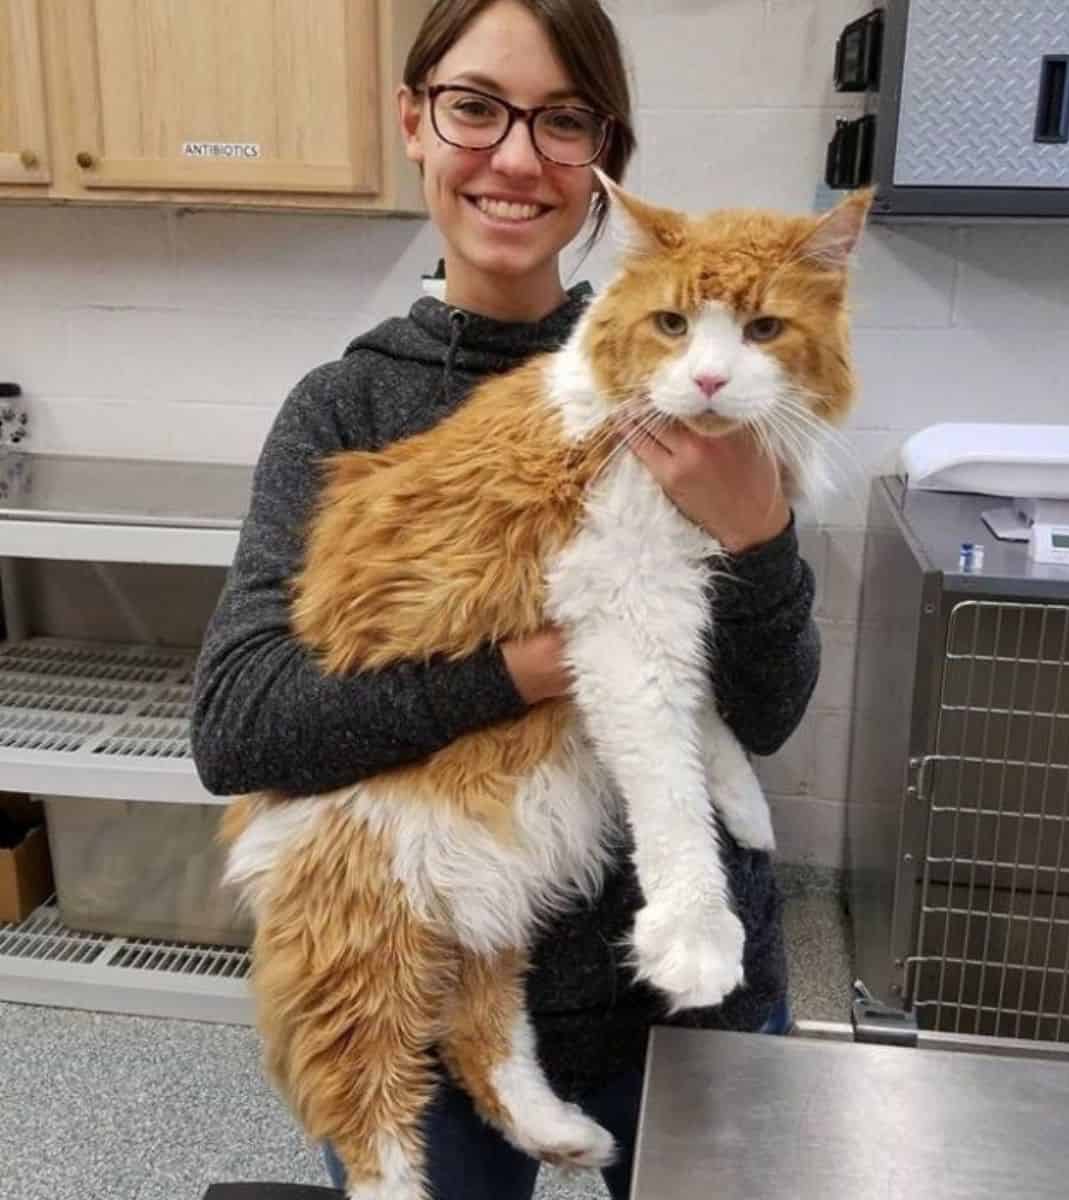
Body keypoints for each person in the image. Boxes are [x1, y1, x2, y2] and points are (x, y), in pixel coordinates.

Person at [190, 1, 821, 1196]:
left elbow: (770, 707)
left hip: (686, 984)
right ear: (415, 125)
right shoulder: (343, 410)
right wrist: (533, 666)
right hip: (439, 983)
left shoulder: (700, 374)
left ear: (605, 159)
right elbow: (241, 724)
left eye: (565, 120)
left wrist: (763, 538)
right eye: (476, 107)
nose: (519, 157)